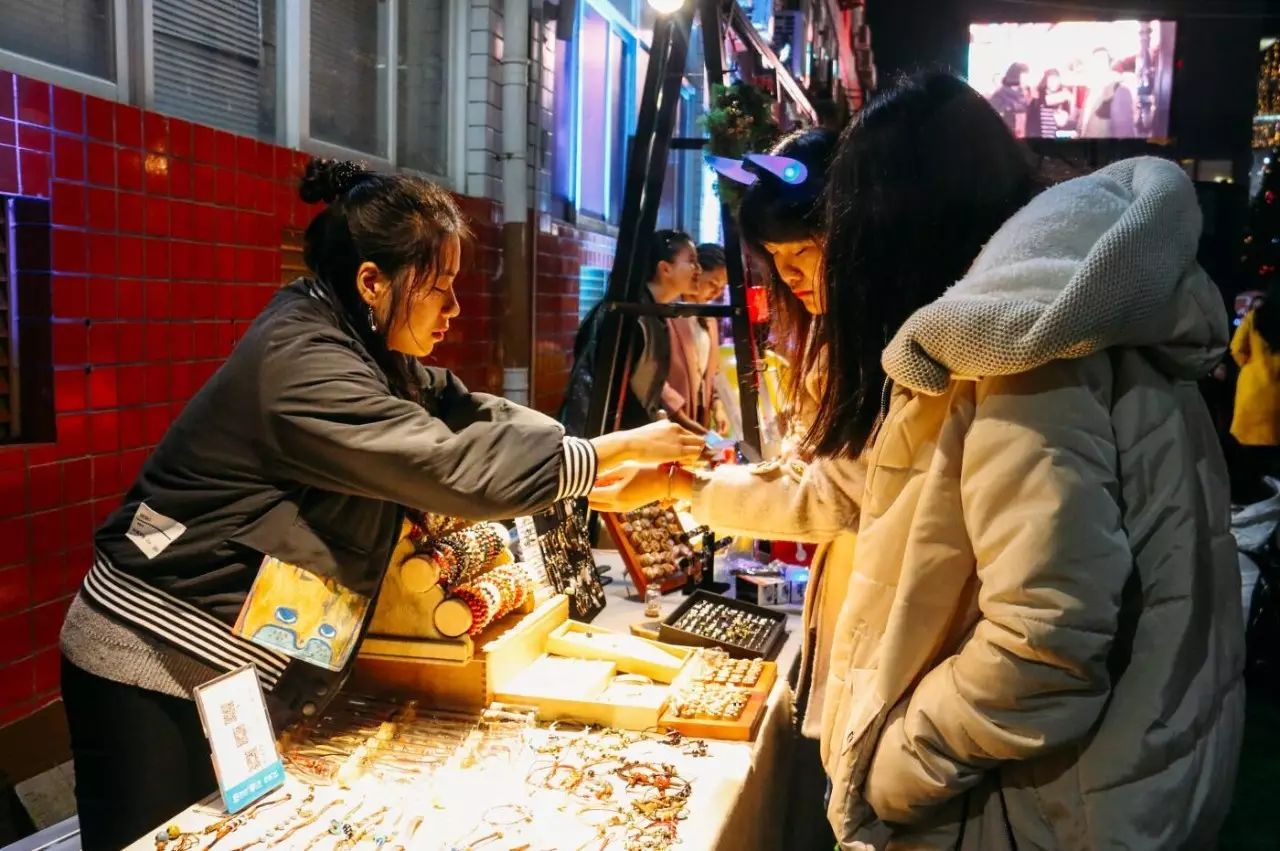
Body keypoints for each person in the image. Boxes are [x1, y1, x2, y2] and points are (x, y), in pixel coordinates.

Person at [597, 71, 1243, 849]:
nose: (826, 274)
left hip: (1054, 807)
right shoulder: (1042, 324)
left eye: (843, 234)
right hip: (1100, 786)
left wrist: (887, 765)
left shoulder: (1021, 348)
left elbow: (1045, 648)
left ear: (901, 224)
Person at [58, 160, 702, 851]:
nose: (453, 310)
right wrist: (610, 451)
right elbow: (445, 465)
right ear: (372, 281)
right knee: (159, 840)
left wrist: (591, 468)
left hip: (232, 661)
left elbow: (463, 414)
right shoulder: (304, 359)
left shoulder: (368, 349)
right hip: (153, 652)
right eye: (441, 289)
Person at [601, 128, 853, 851]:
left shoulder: (893, 349)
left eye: (804, 253)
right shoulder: (839, 338)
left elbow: (821, 494)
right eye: (779, 261)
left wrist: (681, 480)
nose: (794, 275)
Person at [559, 229, 702, 435]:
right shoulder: (630, 316)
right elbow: (617, 394)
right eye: (691, 260)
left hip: (624, 437)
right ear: (665, 268)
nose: (698, 269)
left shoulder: (651, 312)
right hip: (597, 439)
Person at [1230, 280, 1280, 496]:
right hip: (1277, 395)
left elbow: (1236, 349)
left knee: (1248, 459)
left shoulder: (1253, 318)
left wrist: (1250, 367)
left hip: (1252, 393)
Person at [986, 62, 1030, 136]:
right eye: (1024, 78)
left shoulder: (1023, 96)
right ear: (1015, 76)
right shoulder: (999, 97)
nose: (1026, 81)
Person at [1026, 68, 1072, 138]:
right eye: (1051, 80)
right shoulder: (1038, 95)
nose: (1054, 83)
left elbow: (1066, 120)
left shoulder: (1064, 97)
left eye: (1056, 80)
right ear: (1046, 81)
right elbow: (1031, 121)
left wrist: (1063, 119)